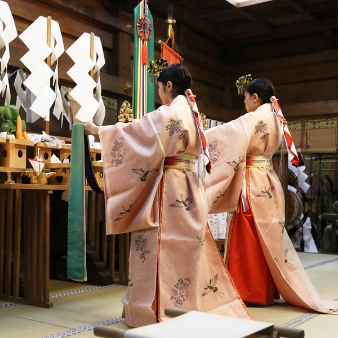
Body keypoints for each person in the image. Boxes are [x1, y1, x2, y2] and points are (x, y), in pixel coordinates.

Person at [84, 64, 250, 328]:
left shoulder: (170, 113)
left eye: (159, 87)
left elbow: (137, 133)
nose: (159, 94)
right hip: (190, 187)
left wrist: (98, 131)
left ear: (168, 86)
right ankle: (185, 306)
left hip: (170, 186)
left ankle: (155, 310)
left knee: (156, 246)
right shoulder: (193, 113)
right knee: (186, 249)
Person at [205, 77, 338, 313]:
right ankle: (265, 290)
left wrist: (202, 133)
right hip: (267, 179)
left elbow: (226, 134)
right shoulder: (276, 117)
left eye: (246, 97)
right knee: (267, 237)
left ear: (255, 97)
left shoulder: (255, 118)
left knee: (249, 234)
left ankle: (250, 291)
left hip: (251, 183)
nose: (245, 102)